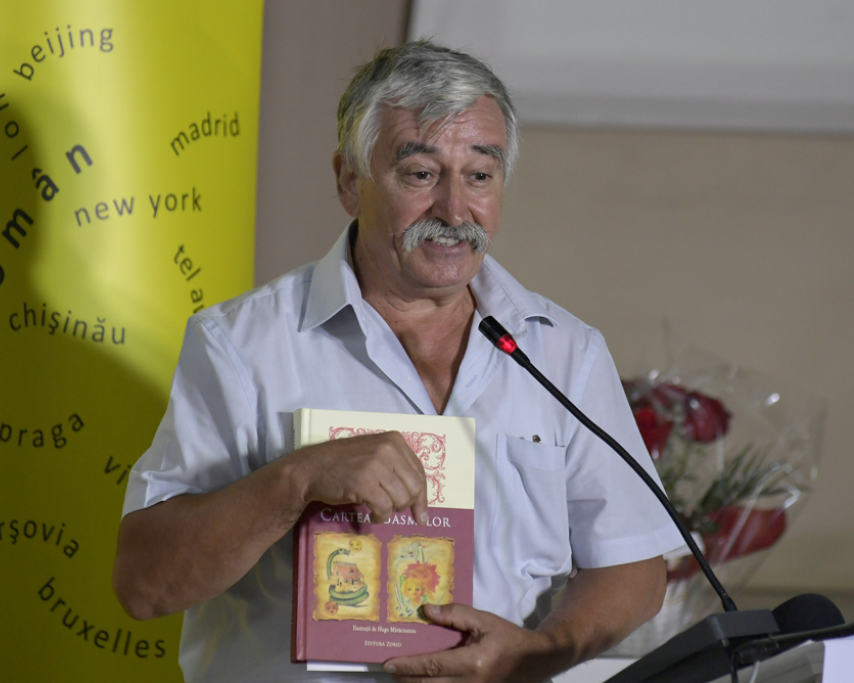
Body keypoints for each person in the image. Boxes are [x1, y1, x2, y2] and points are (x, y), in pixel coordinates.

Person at [114, 41, 681, 683]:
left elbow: (634, 566)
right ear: (348, 181)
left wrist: (539, 651)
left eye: (480, 175)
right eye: (420, 173)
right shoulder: (241, 345)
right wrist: (293, 482)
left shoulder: (564, 352)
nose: (454, 210)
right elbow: (144, 584)